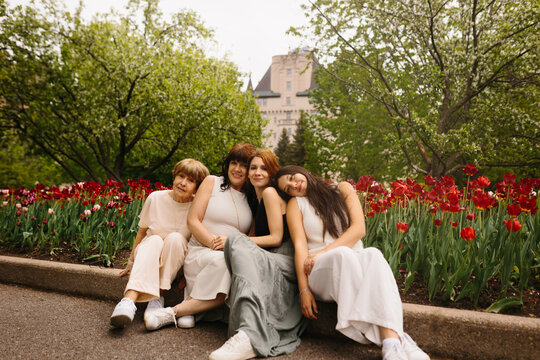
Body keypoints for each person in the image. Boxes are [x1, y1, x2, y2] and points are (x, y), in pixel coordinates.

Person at [276, 165, 430, 360]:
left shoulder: (343, 189)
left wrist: (324, 251)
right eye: (287, 188)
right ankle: (401, 340)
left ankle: (392, 343)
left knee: (373, 253)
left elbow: (359, 230)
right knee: (342, 255)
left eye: (291, 177)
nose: (293, 185)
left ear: (302, 171)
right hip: (318, 270)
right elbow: (300, 247)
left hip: (352, 260)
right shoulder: (296, 204)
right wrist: (304, 290)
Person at [144, 143, 256, 331]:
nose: (237, 169)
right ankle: (189, 306)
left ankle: (175, 311)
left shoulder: (253, 198)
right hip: (202, 250)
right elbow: (193, 220)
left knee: (228, 263)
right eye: (233, 163)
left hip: (231, 254)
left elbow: (249, 237)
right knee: (222, 261)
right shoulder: (212, 182)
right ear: (227, 164)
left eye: (244, 165)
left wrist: (230, 248)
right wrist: (215, 243)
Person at [209, 150, 308, 360]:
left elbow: (276, 238)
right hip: (272, 254)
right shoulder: (257, 198)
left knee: (236, 241)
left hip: (284, 256)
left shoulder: (271, 194)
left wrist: (235, 240)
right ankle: (245, 332)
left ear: (272, 172)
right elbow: (255, 237)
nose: (257, 172)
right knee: (238, 246)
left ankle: (248, 336)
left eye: (263, 168)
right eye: (253, 168)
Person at [110, 158, 209, 328]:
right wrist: (131, 262)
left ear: (197, 187)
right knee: (154, 239)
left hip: (175, 262)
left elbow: (195, 244)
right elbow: (141, 232)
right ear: (174, 177)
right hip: (149, 253)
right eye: (181, 176)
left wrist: (187, 274)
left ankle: (157, 298)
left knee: (176, 238)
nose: (183, 183)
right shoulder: (155, 198)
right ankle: (128, 302)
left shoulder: (197, 207)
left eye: (191, 180)